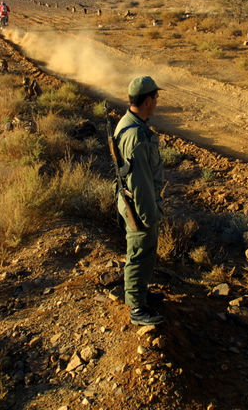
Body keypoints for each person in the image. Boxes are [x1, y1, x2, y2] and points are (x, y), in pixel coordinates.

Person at [114, 76, 166, 326]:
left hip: (133, 201)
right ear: (147, 101)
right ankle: (137, 308)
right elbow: (141, 183)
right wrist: (149, 216)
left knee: (145, 251)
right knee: (139, 253)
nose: (157, 101)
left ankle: (141, 295)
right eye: (155, 97)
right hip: (139, 206)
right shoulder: (136, 136)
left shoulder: (131, 123)